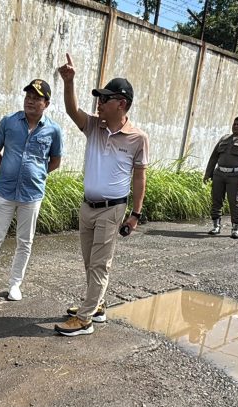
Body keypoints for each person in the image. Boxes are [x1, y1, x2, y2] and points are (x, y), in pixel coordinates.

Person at [54, 54, 149, 336]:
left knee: (99, 263)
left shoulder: (137, 138)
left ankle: (85, 320)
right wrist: (69, 83)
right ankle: (98, 304)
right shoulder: (95, 126)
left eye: (105, 99)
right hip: (88, 207)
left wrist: (135, 214)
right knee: (89, 261)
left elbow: (139, 176)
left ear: (121, 104)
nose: (99, 103)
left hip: (112, 209)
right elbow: (73, 111)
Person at [0, 79, 63, 301]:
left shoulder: (53, 130)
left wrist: (38, 174)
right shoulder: (9, 122)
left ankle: (15, 285)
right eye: (28, 97)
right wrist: (7, 169)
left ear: (47, 103)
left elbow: (55, 161)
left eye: (36, 98)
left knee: (25, 241)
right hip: (5, 191)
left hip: (31, 194)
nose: (30, 101)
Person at [205, 115, 238, 239]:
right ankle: (216, 226)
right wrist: (208, 173)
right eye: (234, 124)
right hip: (219, 174)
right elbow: (214, 157)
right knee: (216, 200)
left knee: (234, 202)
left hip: (235, 176)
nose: (236, 126)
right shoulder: (224, 138)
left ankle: (235, 228)